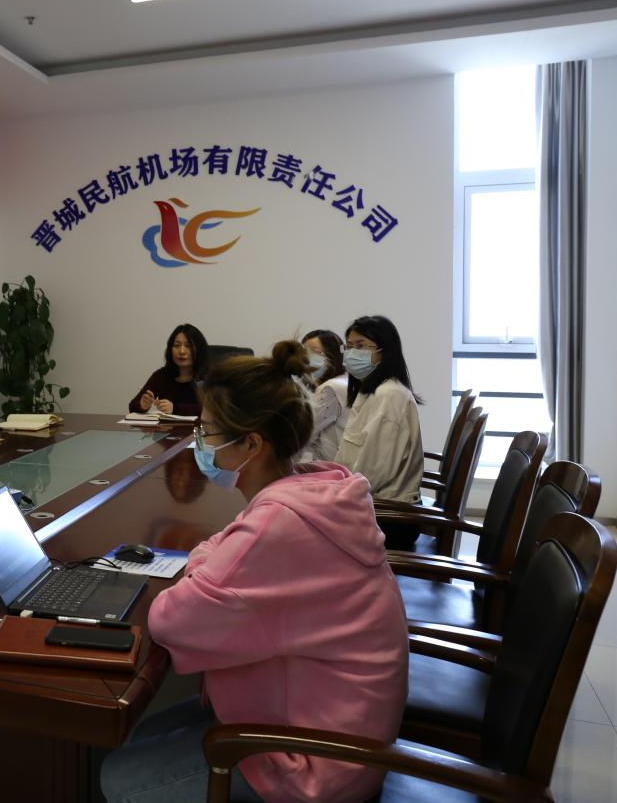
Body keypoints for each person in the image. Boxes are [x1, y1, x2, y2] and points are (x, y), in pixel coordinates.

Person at [101, 342, 408, 803]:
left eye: (207, 432)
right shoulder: (312, 488)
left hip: (316, 763)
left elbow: (169, 619)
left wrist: (204, 565)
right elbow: (220, 548)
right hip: (335, 723)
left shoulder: (279, 524)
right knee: (139, 733)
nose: (200, 443)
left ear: (251, 443)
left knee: (117, 777)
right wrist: (211, 562)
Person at [334, 315, 424, 550]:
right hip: (374, 507)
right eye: (349, 347)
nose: (352, 353)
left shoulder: (389, 395)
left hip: (389, 518)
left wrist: (334, 495)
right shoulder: (372, 390)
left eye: (361, 346)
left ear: (385, 351)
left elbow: (373, 471)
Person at [128, 324, 209, 416]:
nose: (182, 351)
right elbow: (132, 406)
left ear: (199, 349)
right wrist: (142, 405)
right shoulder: (161, 375)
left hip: (201, 425)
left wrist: (175, 408)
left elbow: (214, 410)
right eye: (177, 345)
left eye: (188, 346)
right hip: (168, 425)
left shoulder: (209, 376)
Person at [300, 329, 349, 461]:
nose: (306, 358)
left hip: (333, 466)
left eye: (314, 352)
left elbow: (304, 431)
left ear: (332, 356)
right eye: (304, 352)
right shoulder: (344, 381)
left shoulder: (331, 388)